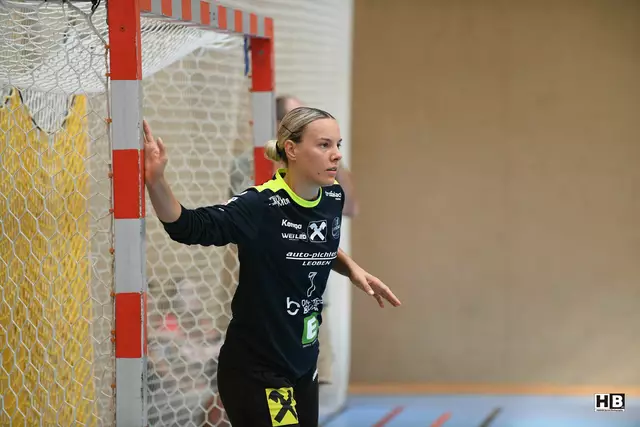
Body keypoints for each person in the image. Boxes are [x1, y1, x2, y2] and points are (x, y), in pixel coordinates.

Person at [143, 107, 401, 427]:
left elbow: (318, 241)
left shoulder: (331, 198)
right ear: (291, 149)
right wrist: (156, 181)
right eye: (324, 145)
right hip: (259, 369)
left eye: (338, 145)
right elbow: (187, 226)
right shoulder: (260, 206)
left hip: (302, 366)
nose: (336, 155)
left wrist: (352, 269)